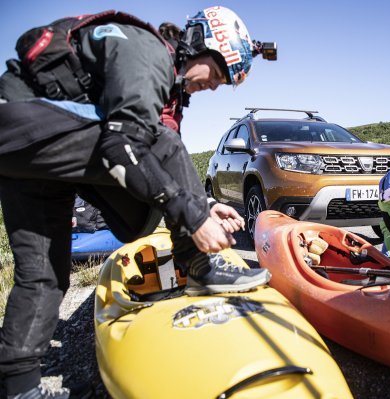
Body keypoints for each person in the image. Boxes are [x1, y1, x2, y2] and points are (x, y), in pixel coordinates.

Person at [0, 6, 274, 398]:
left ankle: (19, 388)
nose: (214, 86)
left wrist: (205, 208)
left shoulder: (158, 73)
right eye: (216, 74)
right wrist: (195, 219)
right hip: (32, 126)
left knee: (45, 274)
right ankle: (197, 266)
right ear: (198, 45)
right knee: (160, 141)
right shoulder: (148, 53)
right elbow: (122, 144)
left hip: (26, 150)